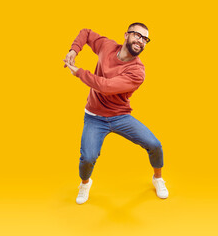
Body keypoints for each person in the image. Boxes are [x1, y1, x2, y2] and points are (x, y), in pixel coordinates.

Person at [64, 23, 168, 204]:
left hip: (120, 116)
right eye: (137, 35)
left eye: (145, 39)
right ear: (126, 35)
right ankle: (85, 183)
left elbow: (105, 87)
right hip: (94, 117)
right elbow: (86, 33)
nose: (141, 41)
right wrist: (74, 50)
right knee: (87, 157)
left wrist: (79, 72)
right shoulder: (107, 47)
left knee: (155, 144)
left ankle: (158, 178)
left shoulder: (137, 71)